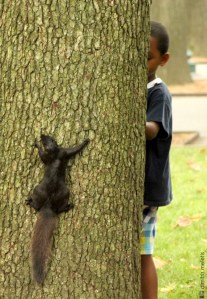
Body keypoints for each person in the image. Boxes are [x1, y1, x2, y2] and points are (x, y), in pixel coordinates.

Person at [141, 21, 172, 299]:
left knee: (143, 253)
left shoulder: (158, 92)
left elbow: (153, 130)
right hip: (139, 188)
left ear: (163, 59)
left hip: (149, 190)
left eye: (148, 58)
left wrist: (132, 118)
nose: (141, 64)